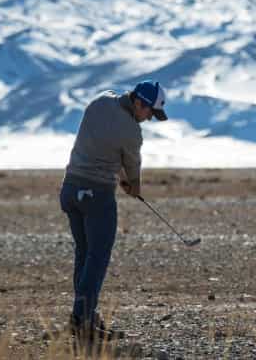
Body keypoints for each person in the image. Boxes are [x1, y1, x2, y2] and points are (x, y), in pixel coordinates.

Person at [59, 80, 168, 342]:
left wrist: (120, 174)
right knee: (97, 259)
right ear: (138, 102)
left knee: (85, 256)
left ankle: (87, 318)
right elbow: (132, 170)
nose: (149, 119)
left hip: (70, 190)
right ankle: (80, 320)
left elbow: (103, 144)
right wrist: (134, 186)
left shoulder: (100, 100)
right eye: (150, 112)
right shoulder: (132, 131)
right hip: (97, 197)